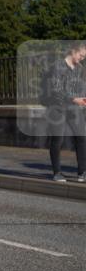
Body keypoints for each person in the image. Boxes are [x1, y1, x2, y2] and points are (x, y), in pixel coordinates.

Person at [41, 41, 86, 182]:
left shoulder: (79, 68)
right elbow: (56, 90)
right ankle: (57, 172)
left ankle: (82, 173)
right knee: (57, 139)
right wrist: (74, 99)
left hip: (73, 107)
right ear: (73, 51)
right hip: (57, 107)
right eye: (81, 55)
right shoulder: (58, 66)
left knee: (82, 137)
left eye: (84, 56)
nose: (82, 58)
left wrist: (83, 98)